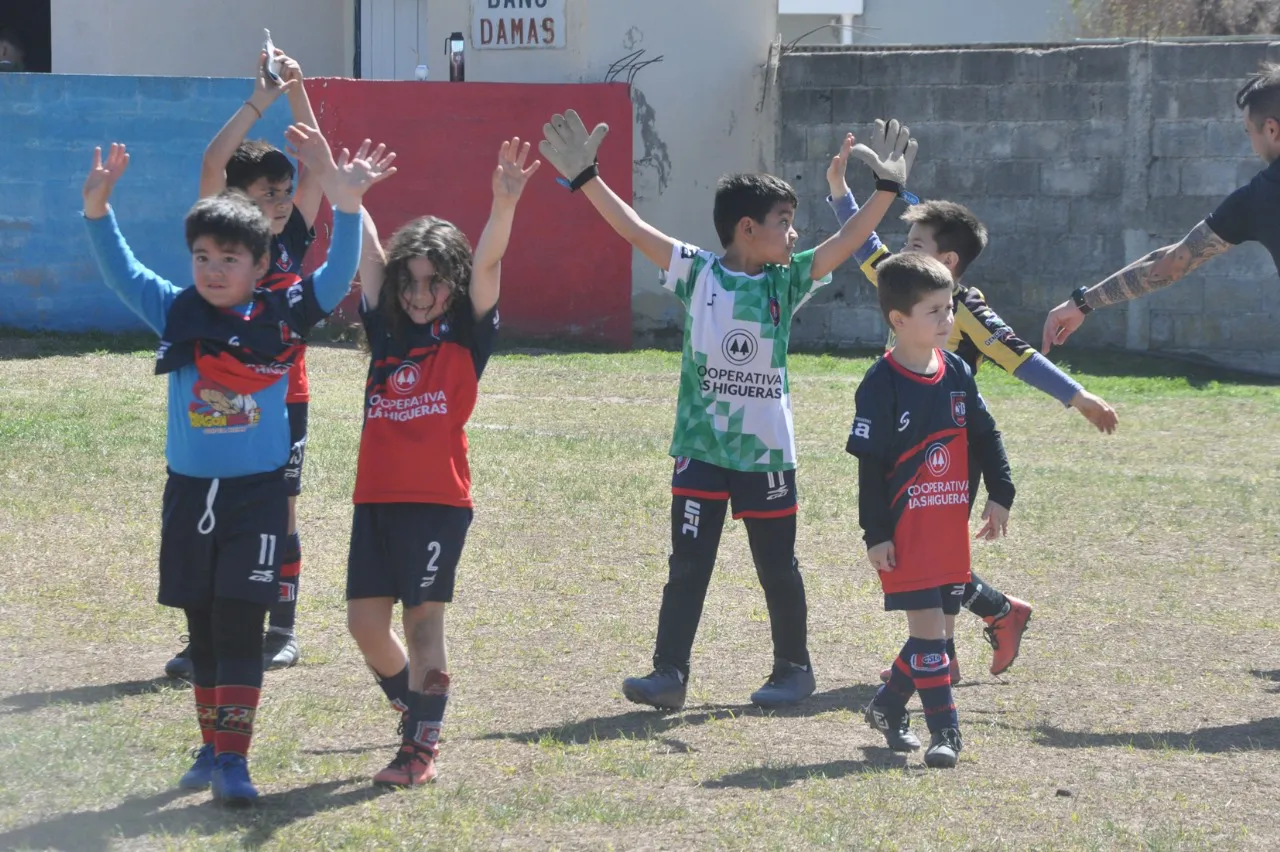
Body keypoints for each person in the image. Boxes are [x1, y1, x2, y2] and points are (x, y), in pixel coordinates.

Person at [538, 110, 919, 710]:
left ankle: (793, 669)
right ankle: (669, 675)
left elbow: (845, 245)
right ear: (747, 228)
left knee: (777, 566)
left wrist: (888, 192)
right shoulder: (697, 272)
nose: (795, 234)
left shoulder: (786, 281)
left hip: (766, 453)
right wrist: (586, 177)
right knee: (687, 565)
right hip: (699, 449)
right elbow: (635, 229)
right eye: (785, 223)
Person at [82, 129, 391, 804]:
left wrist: (347, 203)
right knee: (201, 628)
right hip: (189, 495)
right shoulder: (176, 312)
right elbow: (124, 273)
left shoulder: (281, 314)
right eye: (202, 256)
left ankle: (234, 761)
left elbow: (337, 277)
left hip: (255, 496)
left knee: (240, 622)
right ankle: (208, 746)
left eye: (229, 257)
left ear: (259, 263)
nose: (214, 269)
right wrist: (98, 212)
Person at [826, 133, 1118, 681]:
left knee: (932, 558)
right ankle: (985, 626)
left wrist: (1077, 397)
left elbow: (1021, 357)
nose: (901, 249)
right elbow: (860, 243)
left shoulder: (968, 311)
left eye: (914, 242)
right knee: (928, 556)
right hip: (908, 437)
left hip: (953, 447)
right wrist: (841, 191)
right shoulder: (905, 282)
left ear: (948, 260)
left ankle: (952, 649)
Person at [345, 137, 537, 786]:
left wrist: (502, 204)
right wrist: (350, 190)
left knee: (422, 623)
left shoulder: (466, 334)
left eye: (434, 283)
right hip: (373, 499)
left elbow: (489, 263)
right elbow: (365, 240)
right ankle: (417, 710)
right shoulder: (387, 333)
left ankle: (419, 748)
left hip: (436, 503)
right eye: (410, 282)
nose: (420, 295)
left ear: (452, 286)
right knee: (365, 626)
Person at [165, 45, 327, 679]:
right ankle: (201, 633)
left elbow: (318, 158)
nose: (283, 200)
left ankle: (280, 629)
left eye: (286, 191)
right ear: (237, 195)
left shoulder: (289, 237)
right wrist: (259, 98)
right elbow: (212, 161)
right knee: (205, 505)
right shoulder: (219, 234)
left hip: (283, 395)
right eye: (268, 192)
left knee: (280, 506)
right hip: (212, 394)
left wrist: (297, 85)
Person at [846, 252, 1015, 768]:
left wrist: (1001, 491)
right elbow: (870, 469)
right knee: (929, 636)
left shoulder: (958, 370)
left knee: (937, 634)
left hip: (948, 530)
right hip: (905, 532)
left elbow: (985, 435)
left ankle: (887, 706)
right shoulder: (881, 383)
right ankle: (947, 733)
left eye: (950, 308)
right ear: (899, 320)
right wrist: (876, 533)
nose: (948, 320)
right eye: (935, 312)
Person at [1042, 63, 1280, 354]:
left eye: (1249, 133)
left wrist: (1082, 303)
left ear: (1271, 130)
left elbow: (1172, 264)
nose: (1252, 145)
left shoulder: (1258, 197)